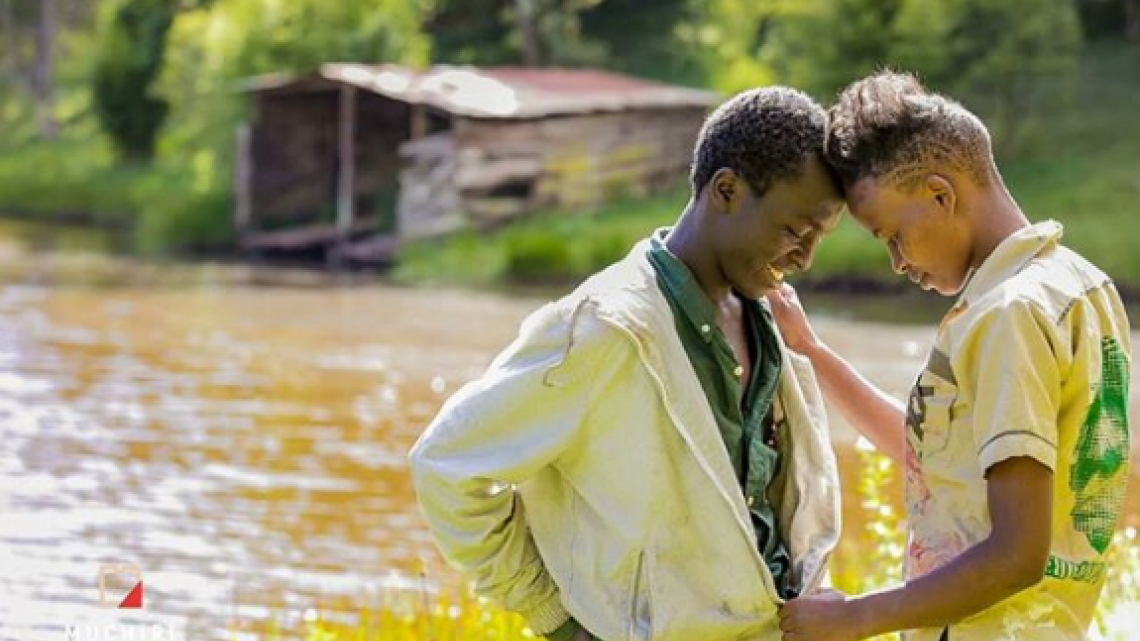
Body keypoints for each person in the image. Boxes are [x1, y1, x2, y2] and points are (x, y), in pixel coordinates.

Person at [409, 87, 845, 641]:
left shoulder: (766, 313)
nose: (805, 258)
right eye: (795, 231)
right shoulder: (605, 328)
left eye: (819, 239)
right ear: (728, 191)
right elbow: (446, 465)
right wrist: (554, 618)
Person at [774, 71, 1133, 641]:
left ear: (942, 195)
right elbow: (933, 456)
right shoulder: (1079, 285)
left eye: (892, 234)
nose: (896, 261)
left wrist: (855, 616)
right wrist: (811, 350)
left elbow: (1017, 555)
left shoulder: (1006, 316)